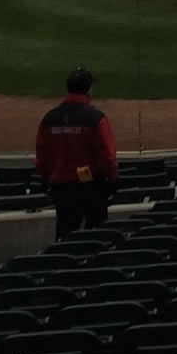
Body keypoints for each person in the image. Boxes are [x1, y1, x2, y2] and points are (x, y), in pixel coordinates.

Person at [34, 67, 118, 238]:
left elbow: (41, 154)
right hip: (91, 187)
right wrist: (113, 179)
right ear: (88, 90)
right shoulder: (95, 118)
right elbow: (107, 155)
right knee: (97, 237)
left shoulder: (50, 118)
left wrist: (44, 177)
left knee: (65, 235)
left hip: (62, 189)